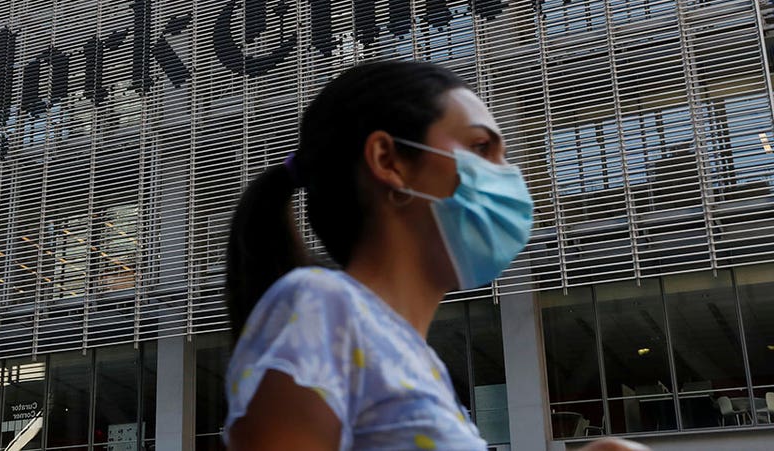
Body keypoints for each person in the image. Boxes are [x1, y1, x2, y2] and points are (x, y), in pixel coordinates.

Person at [223, 60, 647, 451]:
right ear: (389, 161)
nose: (509, 175)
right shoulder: (322, 305)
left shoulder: (416, 361)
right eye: (482, 148)